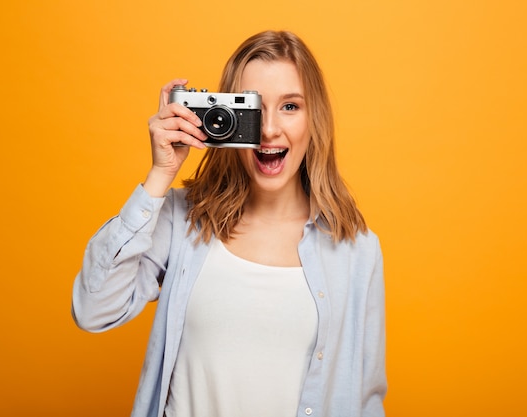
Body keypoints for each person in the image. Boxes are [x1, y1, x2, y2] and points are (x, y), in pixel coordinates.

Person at [72, 30, 386, 417]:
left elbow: (364, 398)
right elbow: (93, 309)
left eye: (290, 106)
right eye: (254, 109)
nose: (269, 129)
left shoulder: (356, 249)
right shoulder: (181, 220)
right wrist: (160, 174)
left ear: (314, 118)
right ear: (225, 113)